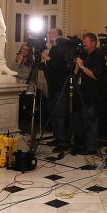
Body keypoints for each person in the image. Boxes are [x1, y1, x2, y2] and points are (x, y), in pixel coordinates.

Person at [72, 33, 105, 155]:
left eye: (86, 41)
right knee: (79, 119)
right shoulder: (84, 54)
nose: (84, 43)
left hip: (92, 94)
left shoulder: (98, 56)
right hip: (80, 92)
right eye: (83, 41)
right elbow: (76, 73)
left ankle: (91, 148)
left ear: (93, 43)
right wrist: (77, 65)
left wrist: (82, 66)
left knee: (90, 120)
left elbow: (95, 75)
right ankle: (79, 145)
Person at [43, 28, 71, 157]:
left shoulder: (63, 49)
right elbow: (49, 70)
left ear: (59, 36)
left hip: (60, 86)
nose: (50, 35)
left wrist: (48, 60)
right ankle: (57, 138)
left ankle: (63, 142)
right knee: (53, 114)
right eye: (49, 33)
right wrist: (44, 61)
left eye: (53, 33)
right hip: (52, 87)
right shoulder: (52, 50)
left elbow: (62, 68)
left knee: (60, 115)